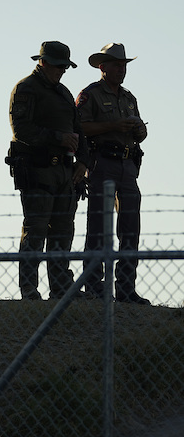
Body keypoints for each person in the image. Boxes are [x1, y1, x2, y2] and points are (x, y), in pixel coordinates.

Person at [7, 41, 91, 300]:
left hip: (65, 173)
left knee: (63, 231)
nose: (61, 71)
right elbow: (21, 130)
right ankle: (29, 289)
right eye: (57, 66)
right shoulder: (25, 89)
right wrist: (58, 138)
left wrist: (83, 163)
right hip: (37, 169)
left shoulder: (64, 93)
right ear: (42, 62)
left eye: (64, 67)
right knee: (36, 230)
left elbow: (79, 131)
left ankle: (61, 287)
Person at [76, 43, 150, 304]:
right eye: (117, 65)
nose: (121, 70)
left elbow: (139, 132)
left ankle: (126, 289)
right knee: (98, 229)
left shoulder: (129, 98)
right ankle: (94, 287)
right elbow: (80, 128)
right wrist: (113, 125)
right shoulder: (90, 95)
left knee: (130, 228)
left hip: (128, 167)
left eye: (124, 65)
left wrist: (140, 132)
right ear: (102, 67)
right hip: (101, 164)